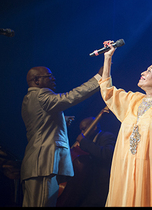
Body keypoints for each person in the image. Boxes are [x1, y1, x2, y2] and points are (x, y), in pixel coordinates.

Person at [99, 40, 152, 207]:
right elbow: (107, 92)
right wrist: (107, 58)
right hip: (125, 168)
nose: (143, 72)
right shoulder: (133, 99)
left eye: (149, 70)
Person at [20, 66, 102, 207]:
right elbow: (70, 97)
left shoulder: (29, 98)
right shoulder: (41, 95)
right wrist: (98, 79)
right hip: (44, 165)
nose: (53, 78)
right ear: (36, 80)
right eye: (49, 76)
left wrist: (61, 121)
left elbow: (39, 126)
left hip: (36, 164)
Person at [56, 115, 116, 207]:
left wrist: (84, 142)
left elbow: (107, 153)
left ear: (94, 127)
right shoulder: (88, 142)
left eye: (84, 129)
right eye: (81, 130)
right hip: (88, 189)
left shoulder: (106, 136)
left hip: (100, 189)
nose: (82, 133)